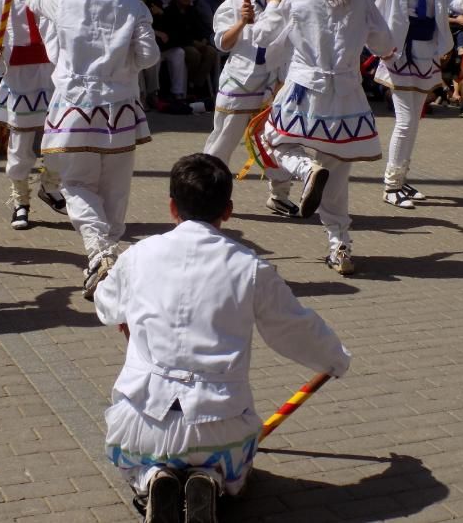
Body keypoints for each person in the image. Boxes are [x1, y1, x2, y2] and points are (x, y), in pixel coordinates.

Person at [95, 153, 351, 523]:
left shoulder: (138, 256)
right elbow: (295, 329)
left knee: (133, 458)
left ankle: (151, 477)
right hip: (219, 424)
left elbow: (106, 308)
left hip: (144, 420)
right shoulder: (250, 268)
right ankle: (212, 479)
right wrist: (336, 359)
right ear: (228, 210)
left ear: (171, 207)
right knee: (236, 470)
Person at [23, 0, 160, 298]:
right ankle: (107, 253)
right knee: (115, 188)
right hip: (120, 112)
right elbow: (149, 57)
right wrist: (122, 61)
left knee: (77, 184)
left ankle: (101, 252)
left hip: (75, 110)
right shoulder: (134, 6)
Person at [252, 0, 395, 272]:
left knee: (274, 140)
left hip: (304, 91)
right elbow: (385, 43)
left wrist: (273, 3)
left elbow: (261, 37)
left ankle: (305, 170)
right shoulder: (360, 0)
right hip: (346, 97)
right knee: (338, 173)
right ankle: (340, 246)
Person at [374, 0, 463, 209]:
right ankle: (391, 184)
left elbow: (459, 7)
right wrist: (381, 49)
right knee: (405, 121)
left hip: (426, 56)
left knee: (414, 122)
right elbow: (376, 18)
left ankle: (401, 177)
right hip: (400, 57)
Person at [203, 0, 297, 216]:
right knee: (223, 140)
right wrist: (242, 22)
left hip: (271, 83)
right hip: (240, 82)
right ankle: (207, 194)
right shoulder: (233, 3)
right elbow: (222, 43)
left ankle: (280, 193)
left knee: (276, 140)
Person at [0, 0, 66, 230]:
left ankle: (51, 185)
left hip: (51, 77)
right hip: (19, 80)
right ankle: (20, 200)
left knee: (59, 139)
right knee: (20, 146)